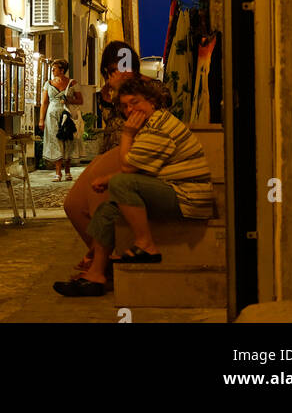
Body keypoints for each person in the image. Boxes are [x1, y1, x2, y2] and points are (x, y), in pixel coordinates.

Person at [53, 75, 214, 296]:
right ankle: (96, 275)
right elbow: (140, 165)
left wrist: (128, 134)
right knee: (107, 210)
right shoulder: (152, 124)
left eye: (135, 102)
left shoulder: (159, 125)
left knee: (122, 183)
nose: (130, 110)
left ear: (152, 101)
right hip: (172, 190)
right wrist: (108, 179)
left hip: (188, 197)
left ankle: (145, 244)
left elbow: (128, 169)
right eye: (126, 106)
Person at [62, 41, 169, 268]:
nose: (118, 73)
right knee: (72, 205)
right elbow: (112, 123)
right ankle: (100, 255)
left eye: (123, 65)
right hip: (108, 151)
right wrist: (113, 94)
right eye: (111, 70)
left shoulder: (153, 89)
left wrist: (125, 90)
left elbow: (153, 113)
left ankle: (99, 264)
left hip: (134, 151)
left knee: (95, 198)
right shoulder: (107, 93)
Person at [38, 58, 83, 180]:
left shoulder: (72, 83)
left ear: (62, 70)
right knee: (55, 140)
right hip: (52, 115)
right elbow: (44, 103)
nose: (52, 70)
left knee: (67, 140)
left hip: (67, 115)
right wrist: (41, 119)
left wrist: (69, 100)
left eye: (55, 68)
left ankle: (67, 171)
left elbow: (80, 100)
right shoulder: (48, 84)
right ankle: (58, 172)